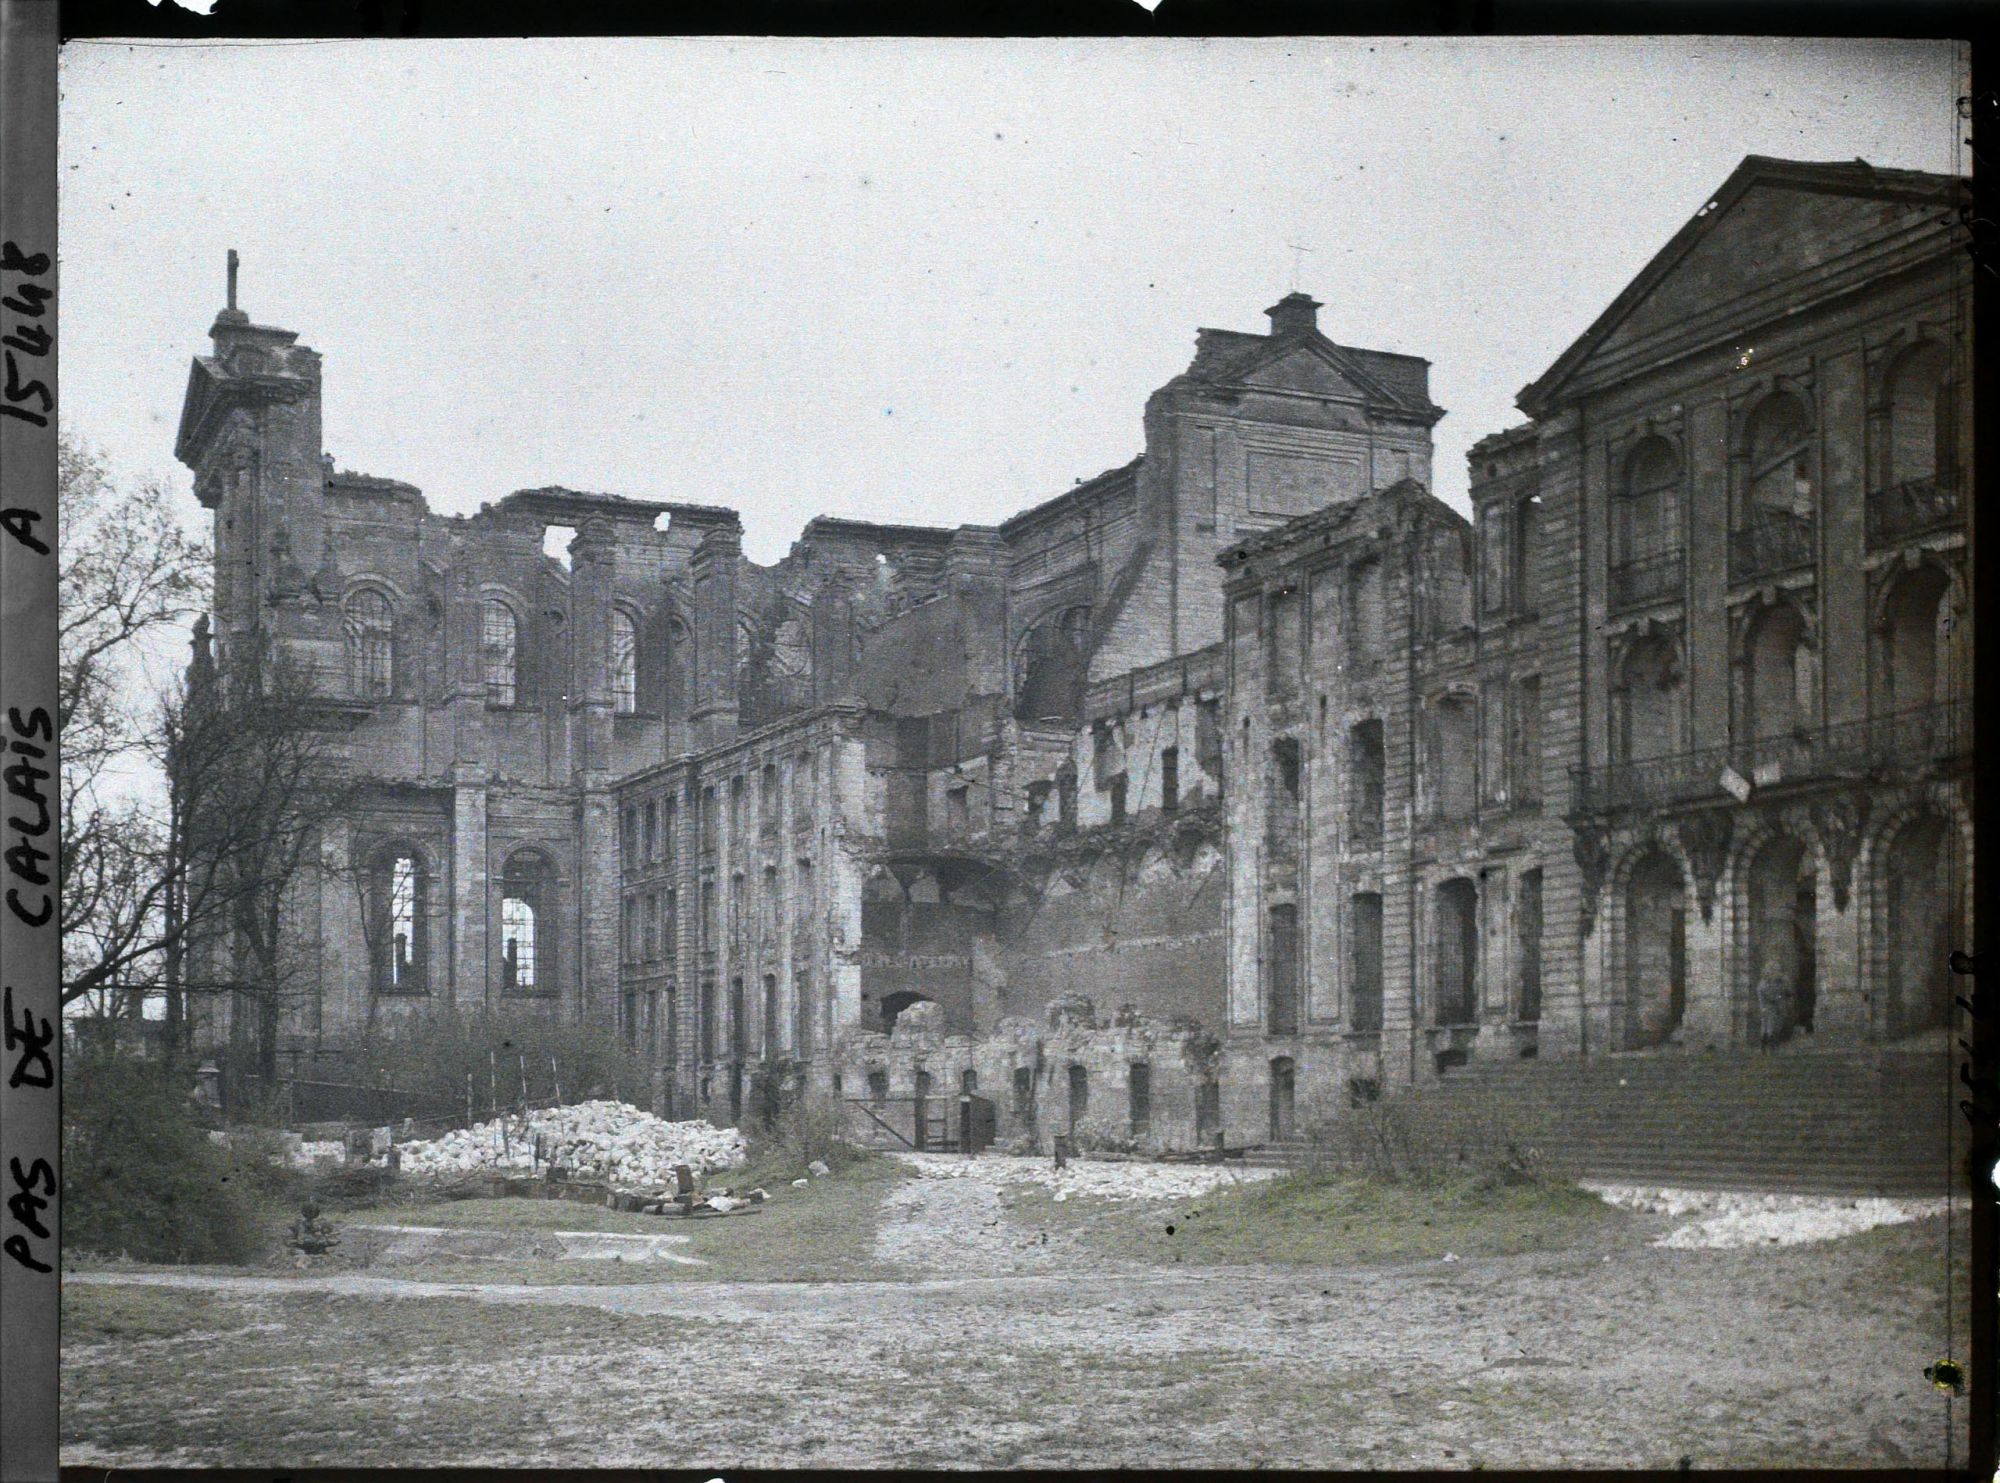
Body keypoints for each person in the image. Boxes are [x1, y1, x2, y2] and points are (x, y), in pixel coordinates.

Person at [1756, 954, 1792, 1051]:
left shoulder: (1773, 982)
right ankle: (1769, 1046)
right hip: (1769, 1006)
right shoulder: (1765, 984)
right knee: (1770, 1027)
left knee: (1770, 1026)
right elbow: (1771, 996)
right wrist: (1779, 997)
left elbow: (1787, 991)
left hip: (1770, 1006)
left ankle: (1768, 1046)